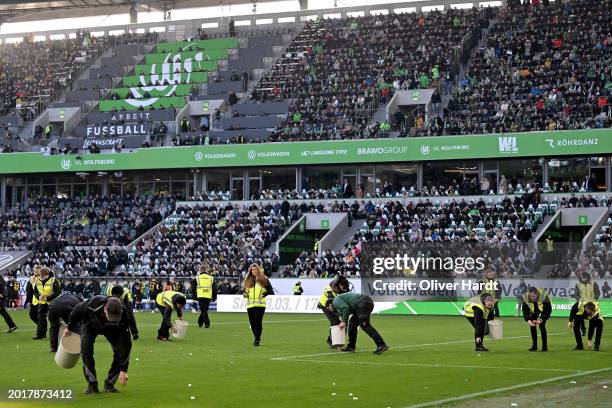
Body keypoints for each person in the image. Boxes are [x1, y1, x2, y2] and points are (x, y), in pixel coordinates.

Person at [66, 296, 132, 394]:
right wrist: (69, 328)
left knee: (119, 352)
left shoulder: (124, 316)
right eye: (110, 317)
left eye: (115, 318)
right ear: (105, 309)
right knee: (86, 351)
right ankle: (92, 385)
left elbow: (126, 345)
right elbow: (76, 311)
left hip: (113, 330)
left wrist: (123, 370)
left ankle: (109, 385)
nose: (112, 320)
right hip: (90, 325)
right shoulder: (92, 304)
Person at [243, 263, 274, 346]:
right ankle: (257, 337)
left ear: (258, 270)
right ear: (250, 270)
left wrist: (263, 295)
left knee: (257, 321)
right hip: (250, 305)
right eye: (252, 269)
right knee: (252, 323)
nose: (254, 271)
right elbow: (245, 291)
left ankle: (257, 340)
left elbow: (271, 291)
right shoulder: (248, 280)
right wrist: (245, 294)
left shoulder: (264, 279)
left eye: (255, 269)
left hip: (260, 304)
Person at [317, 276, 350, 347]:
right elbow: (331, 303)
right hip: (326, 305)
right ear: (339, 285)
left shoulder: (343, 287)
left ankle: (331, 340)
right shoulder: (330, 289)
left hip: (334, 304)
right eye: (343, 288)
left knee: (338, 322)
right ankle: (332, 341)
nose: (344, 290)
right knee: (335, 321)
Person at [32, 267, 60, 340]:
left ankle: (56, 335)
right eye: (40, 275)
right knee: (40, 319)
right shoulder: (38, 280)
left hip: (52, 302)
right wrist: (39, 297)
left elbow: (57, 292)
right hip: (42, 302)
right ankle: (40, 335)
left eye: (42, 275)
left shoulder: (53, 280)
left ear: (47, 275)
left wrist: (48, 298)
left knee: (53, 319)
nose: (40, 277)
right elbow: (35, 292)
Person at [521, 287, 552, 352]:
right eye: (530, 296)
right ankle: (534, 346)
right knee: (532, 324)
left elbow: (547, 311)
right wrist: (528, 320)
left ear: (537, 294)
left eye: (533, 296)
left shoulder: (544, 297)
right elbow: (525, 310)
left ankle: (544, 347)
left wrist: (541, 320)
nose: (531, 298)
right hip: (534, 307)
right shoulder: (526, 297)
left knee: (542, 325)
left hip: (544, 306)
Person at [574, 272, 600, 336]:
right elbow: (576, 294)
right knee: (580, 317)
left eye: (585, 278)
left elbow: (597, 292)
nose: (583, 279)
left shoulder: (593, 283)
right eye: (583, 277)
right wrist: (579, 300)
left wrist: (595, 299)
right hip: (582, 303)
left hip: (592, 303)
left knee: (592, 317)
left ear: (588, 277)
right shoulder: (578, 284)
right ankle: (583, 329)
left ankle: (592, 330)